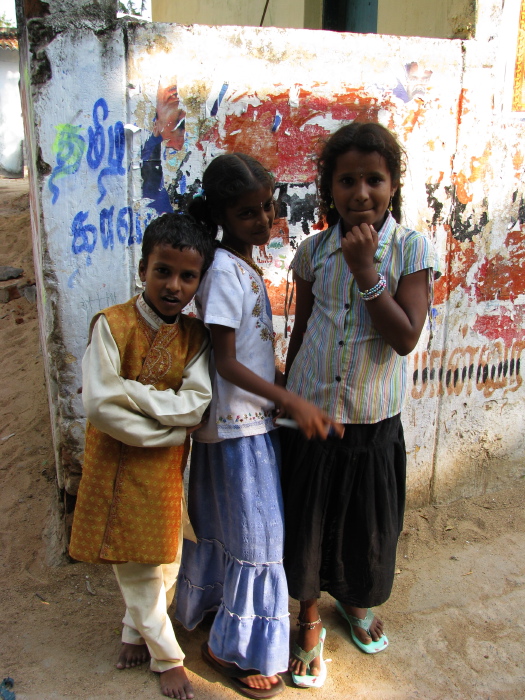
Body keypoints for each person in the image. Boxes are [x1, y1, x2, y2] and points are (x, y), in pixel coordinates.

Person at [174, 153, 341, 699]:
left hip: (246, 423)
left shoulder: (240, 264)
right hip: (236, 429)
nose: (264, 218)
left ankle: (215, 608)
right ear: (221, 216)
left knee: (234, 529)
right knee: (258, 537)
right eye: (247, 212)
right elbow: (226, 362)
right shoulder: (224, 271)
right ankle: (232, 648)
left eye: (267, 206)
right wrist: (287, 397)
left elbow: (249, 351)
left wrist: (286, 389)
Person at [281, 122, 441, 688]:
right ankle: (307, 619)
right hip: (313, 412)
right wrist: (287, 396)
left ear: (393, 184)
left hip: (372, 420)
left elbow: (405, 337)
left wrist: (366, 271)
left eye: (374, 179)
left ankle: (352, 601)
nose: (361, 193)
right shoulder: (313, 251)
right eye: (347, 180)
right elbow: (303, 330)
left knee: (365, 529)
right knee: (306, 524)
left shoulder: (412, 248)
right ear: (330, 189)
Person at [69, 212, 216, 700]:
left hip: (164, 472)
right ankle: (167, 658)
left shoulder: (196, 337)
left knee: (165, 560)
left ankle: (134, 631)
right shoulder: (112, 325)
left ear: (198, 281)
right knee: (136, 567)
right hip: (116, 465)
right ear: (142, 269)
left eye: (187, 276)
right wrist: (169, 433)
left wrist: (130, 391)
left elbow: (195, 404)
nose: (174, 285)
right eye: (163, 271)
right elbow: (100, 406)